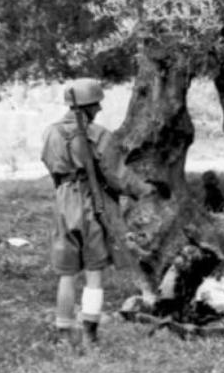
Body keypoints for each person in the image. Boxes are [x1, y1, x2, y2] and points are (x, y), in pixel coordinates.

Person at [41, 77, 154, 348]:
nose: (100, 109)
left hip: (64, 202)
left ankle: (64, 334)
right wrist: (143, 190)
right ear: (88, 107)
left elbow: (49, 163)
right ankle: (90, 334)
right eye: (96, 104)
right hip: (93, 203)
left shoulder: (50, 132)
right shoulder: (99, 135)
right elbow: (116, 176)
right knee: (94, 272)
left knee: (66, 274)